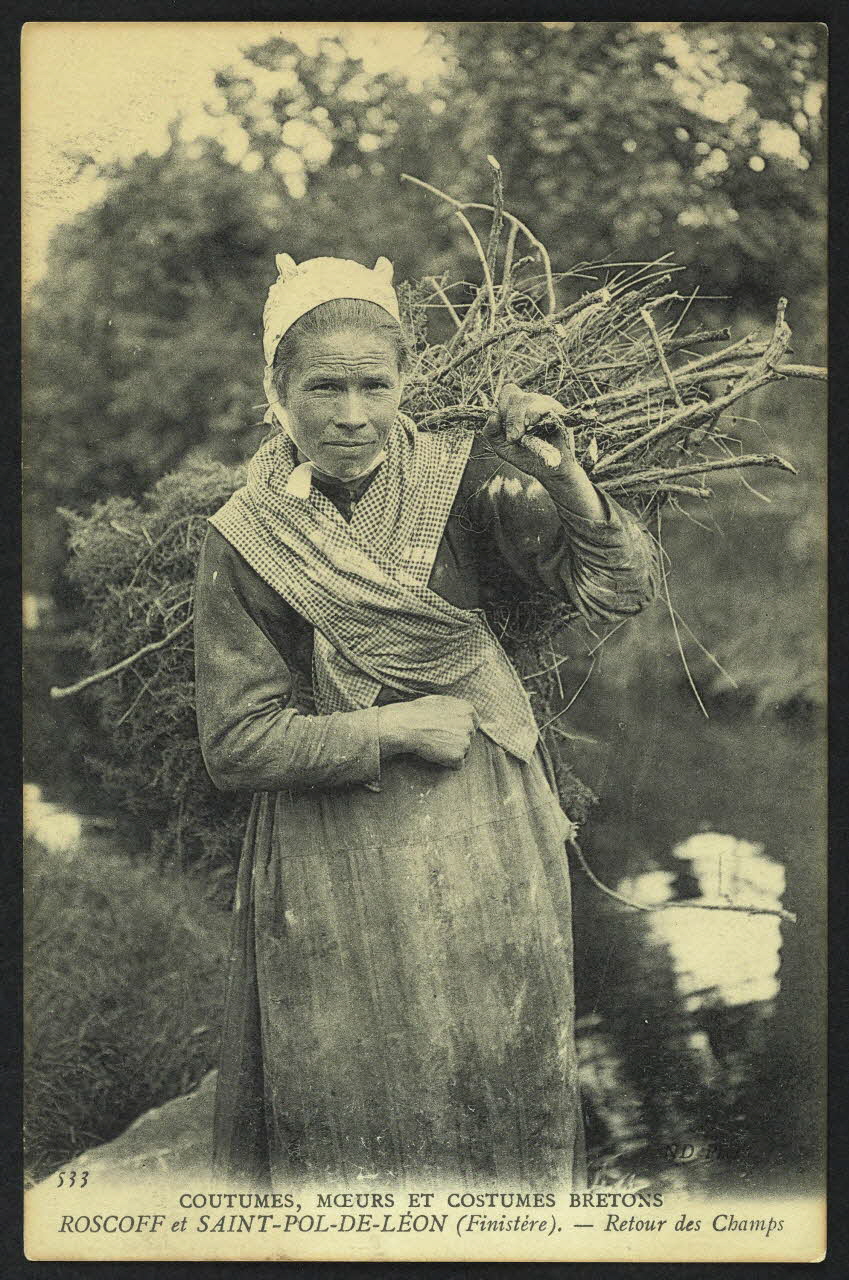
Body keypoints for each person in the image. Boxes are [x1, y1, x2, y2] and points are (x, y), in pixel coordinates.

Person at [193, 253, 658, 1189]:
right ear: (274, 394)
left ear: (406, 382)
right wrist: (392, 732)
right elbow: (237, 743)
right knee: (352, 1071)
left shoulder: (471, 484)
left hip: (483, 820)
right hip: (335, 850)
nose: (353, 414)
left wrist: (564, 476)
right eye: (324, 387)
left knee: (498, 1043)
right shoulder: (242, 539)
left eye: (375, 383)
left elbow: (621, 587)